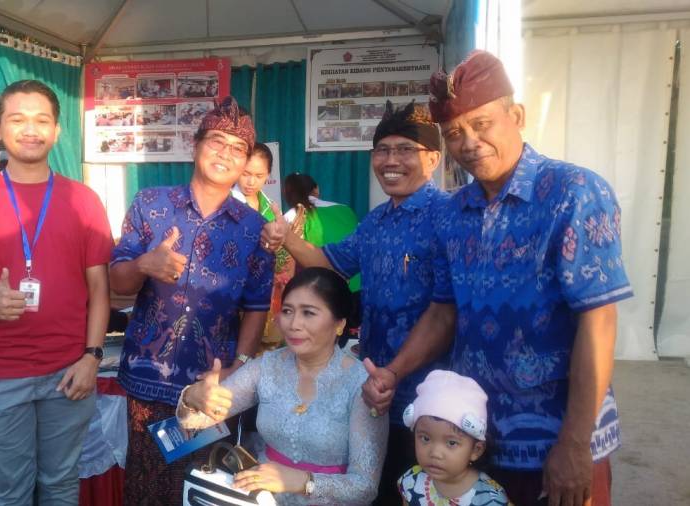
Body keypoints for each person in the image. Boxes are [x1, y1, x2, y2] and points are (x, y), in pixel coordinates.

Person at [363, 51, 632, 506]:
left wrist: (574, 443)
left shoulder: (574, 193)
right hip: (475, 435)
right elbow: (444, 313)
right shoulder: (453, 213)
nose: (469, 142)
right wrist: (394, 371)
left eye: (482, 124)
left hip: (557, 439)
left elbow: (599, 321)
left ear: (517, 116)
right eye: (454, 133)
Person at [261, 101, 452, 506]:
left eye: (405, 150)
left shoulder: (448, 217)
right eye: (382, 150)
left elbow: (445, 313)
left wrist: (394, 373)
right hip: (371, 393)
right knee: (376, 491)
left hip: (430, 400)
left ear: (433, 158)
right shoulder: (375, 221)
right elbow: (328, 263)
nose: (391, 160)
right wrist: (287, 236)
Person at [0, 79, 113, 505]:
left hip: (69, 372)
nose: (31, 130)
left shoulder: (84, 201)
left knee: (60, 486)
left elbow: (100, 289)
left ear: (57, 131)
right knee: (9, 493)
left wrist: (92, 358)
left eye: (42, 120)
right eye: (18, 119)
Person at [109, 96, 275, 505]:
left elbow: (257, 306)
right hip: (148, 378)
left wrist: (241, 365)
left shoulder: (254, 228)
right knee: (146, 487)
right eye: (216, 141)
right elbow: (117, 280)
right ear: (195, 144)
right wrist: (145, 264)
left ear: (245, 162)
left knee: (200, 485)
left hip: (211, 384)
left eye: (237, 149)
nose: (225, 154)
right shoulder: (150, 204)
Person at [178, 267, 388, 505]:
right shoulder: (267, 366)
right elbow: (196, 421)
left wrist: (303, 481)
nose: (294, 324)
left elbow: (365, 487)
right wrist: (192, 398)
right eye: (287, 311)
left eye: (308, 313)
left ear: (339, 324)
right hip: (261, 498)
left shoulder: (361, 385)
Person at [397, 370, 510, 506]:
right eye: (425, 438)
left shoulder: (491, 499)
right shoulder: (411, 481)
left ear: (476, 450)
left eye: (451, 443)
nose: (435, 453)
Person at [232, 142, 276, 222]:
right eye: (245, 174)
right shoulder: (223, 203)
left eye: (259, 176)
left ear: (268, 175)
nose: (251, 182)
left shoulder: (272, 209)